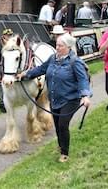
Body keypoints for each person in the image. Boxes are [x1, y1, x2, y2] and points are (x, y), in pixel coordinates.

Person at [17, 33, 91, 163]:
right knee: (57, 125)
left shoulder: (75, 62)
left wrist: (85, 95)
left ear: (68, 47)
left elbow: (82, 79)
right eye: (56, 44)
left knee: (63, 124)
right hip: (55, 99)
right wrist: (25, 75)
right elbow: (40, 69)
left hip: (70, 99)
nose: (57, 47)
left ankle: (64, 153)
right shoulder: (53, 58)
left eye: (60, 45)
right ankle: (60, 144)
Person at [0, 28, 14, 113]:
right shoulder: (1, 44)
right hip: (3, 65)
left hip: (10, 65)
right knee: (5, 83)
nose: (9, 37)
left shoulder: (13, 43)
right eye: (7, 35)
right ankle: (2, 102)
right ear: (4, 36)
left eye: (10, 35)